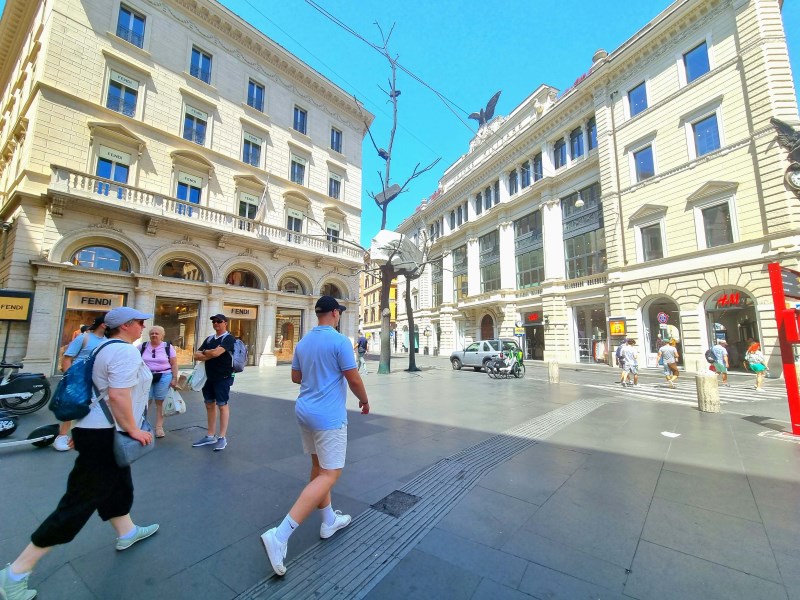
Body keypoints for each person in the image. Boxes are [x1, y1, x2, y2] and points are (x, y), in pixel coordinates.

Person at [0, 307, 159, 600]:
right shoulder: (125, 352)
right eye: (139, 322)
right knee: (80, 500)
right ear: (124, 326)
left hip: (95, 430)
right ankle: (15, 574)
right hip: (107, 433)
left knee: (119, 485)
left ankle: (127, 531)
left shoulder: (101, 347)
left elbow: (90, 391)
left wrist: (79, 430)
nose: (143, 326)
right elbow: (118, 395)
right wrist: (134, 429)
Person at [261, 295, 370, 577]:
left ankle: (328, 520)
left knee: (318, 467)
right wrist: (364, 400)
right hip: (328, 416)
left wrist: (316, 371)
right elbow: (353, 376)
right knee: (330, 474)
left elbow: (296, 377)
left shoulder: (304, 341)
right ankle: (281, 534)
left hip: (304, 411)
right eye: (339, 312)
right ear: (334, 313)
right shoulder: (339, 341)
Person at [55, 316, 107, 451]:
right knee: (74, 406)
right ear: (103, 325)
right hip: (79, 377)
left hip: (98, 378)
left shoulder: (107, 340)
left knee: (94, 407)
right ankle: (62, 435)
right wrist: (69, 377)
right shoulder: (84, 338)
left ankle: (84, 436)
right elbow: (67, 358)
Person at [192, 314, 236, 451]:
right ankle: (210, 435)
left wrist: (206, 353)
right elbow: (195, 355)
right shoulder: (210, 339)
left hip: (223, 377)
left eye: (219, 321)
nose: (216, 323)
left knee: (222, 405)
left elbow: (217, 353)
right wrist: (209, 352)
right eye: (214, 322)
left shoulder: (229, 338)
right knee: (209, 404)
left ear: (225, 323)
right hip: (208, 377)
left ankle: (222, 437)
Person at [140, 325, 179, 439]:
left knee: (160, 402)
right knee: (145, 402)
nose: (154, 335)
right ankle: (142, 425)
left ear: (162, 336)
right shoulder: (142, 346)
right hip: (146, 376)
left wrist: (174, 378)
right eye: (152, 333)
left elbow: (174, 364)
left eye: (157, 333)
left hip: (164, 375)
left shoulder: (168, 347)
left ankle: (159, 427)